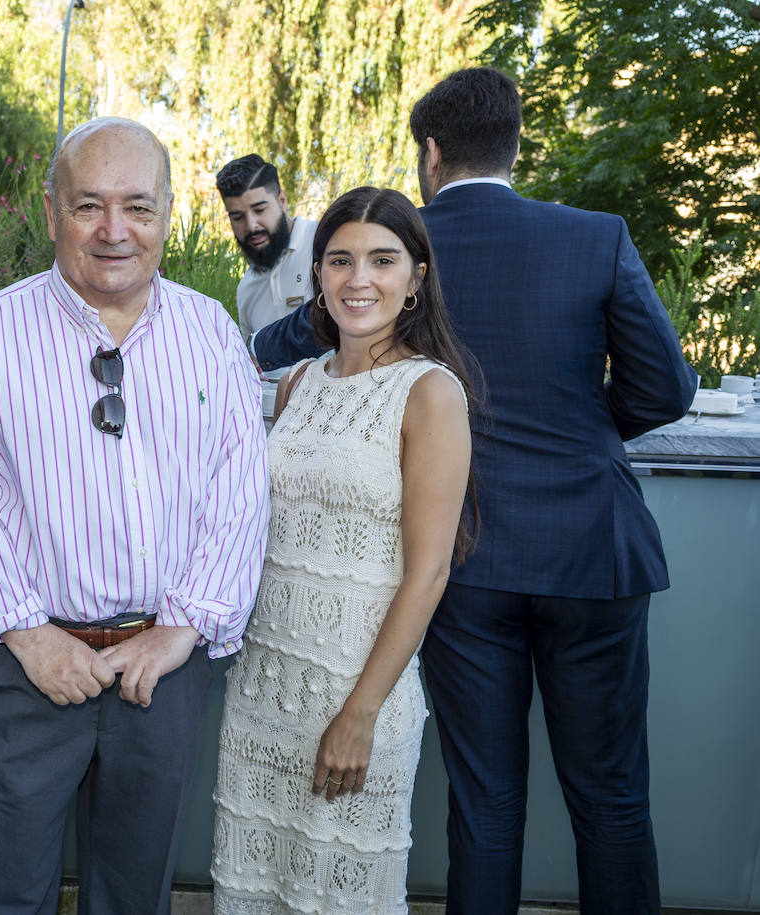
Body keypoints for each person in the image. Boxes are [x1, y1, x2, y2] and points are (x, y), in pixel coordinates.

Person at [252, 67, 698, 913]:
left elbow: (282, 337)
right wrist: (584, 434)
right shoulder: (595, 237)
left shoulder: (387, 254)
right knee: (611, 797)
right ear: (515, 143)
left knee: (485, 802)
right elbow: (667, 389)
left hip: (464, 559)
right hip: (594, 550)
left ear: (429, 153)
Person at [0, 117, 270, 915]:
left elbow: (241, 488)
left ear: (168, 214)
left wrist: (185, 626)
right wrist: (26, 631)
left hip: (162, 667)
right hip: (21, 668)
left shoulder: (211, 333)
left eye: (138, 207)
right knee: (5, 891)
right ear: (51, 213)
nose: (115, 231)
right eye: (89, 206)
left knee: (132, 894)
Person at [211, 186, 475, 914]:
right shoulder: (298, 382)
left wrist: (359, 712)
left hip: (359, 696)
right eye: (340, 260)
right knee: (256, 891)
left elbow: (427, 573)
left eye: (383, 260)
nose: (359, 279)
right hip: (266, 693)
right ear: (317, 275)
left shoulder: (430, 393)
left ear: (418, 275)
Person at [215, 154, 323, 368]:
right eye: (237, 217)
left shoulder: (325, 243)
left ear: (282, 200)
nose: (251, 225)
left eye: (259, 210)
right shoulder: (246, 288)